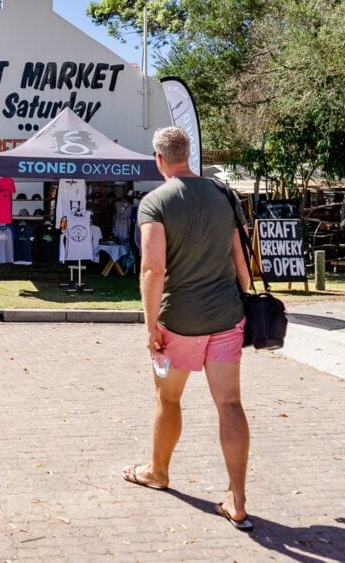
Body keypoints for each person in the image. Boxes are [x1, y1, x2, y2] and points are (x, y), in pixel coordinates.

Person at [122, 126, 254, 531]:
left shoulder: (155, 202)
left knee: (169, 399)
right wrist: (241, 302)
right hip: (226, 316)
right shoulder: (222, 195)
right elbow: (241, 262)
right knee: (229, 403)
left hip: (178, 320)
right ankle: (236, 498)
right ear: (189, 153)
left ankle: (157, 471)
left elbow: (152, 268)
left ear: (158, 159)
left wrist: (149, 325)